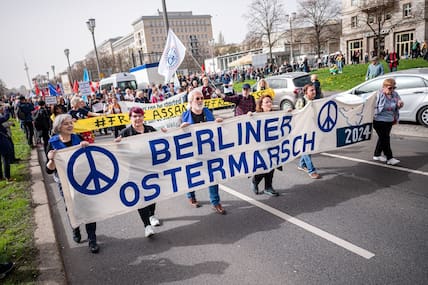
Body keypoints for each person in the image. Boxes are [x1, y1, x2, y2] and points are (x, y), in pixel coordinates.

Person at [46, 114, 100, 253]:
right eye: (66, 124)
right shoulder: (52, 143)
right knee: (71, 207)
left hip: (82, 179)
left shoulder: (78, 138)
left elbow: (89, 159)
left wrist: (86, 147)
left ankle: (92, 239)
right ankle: (75, 228)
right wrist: (51, 159)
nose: (70, 126)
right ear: (59, 127)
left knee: (89, 208)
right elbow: (49, 170)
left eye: (71, 123)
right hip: (65, 182)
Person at [114, 107, 162, 237]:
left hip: (151, 169)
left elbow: (161, 142)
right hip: (135, 171)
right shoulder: (125, 133)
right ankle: (147, 225)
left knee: (153, 193)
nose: (137, 119)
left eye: (140, 116)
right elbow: (117, 152)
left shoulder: (150, 130)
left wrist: (163, 133)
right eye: (134, 116)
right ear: (130, 118)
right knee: (140, 197)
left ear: (143, 117)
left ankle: (152, 215)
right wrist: (116, 144)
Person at [180, 89, 226, 215]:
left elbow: (215, 127)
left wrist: (219, 123)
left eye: (202, 98)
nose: (200, 101)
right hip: (192, 153)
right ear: (191, 101)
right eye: (197, 98)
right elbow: (176, 136)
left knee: (213, 176)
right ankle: (190, 195)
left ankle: (215, 202)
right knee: (192, 176)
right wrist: (181, 129)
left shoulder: (208, 112)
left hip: (208, 151)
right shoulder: (184, 116)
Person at [250, 94, 279, 196]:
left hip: (273, 145)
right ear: (261, 105)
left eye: (270, 101)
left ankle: (268, 187)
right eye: (266, 102)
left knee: (272, 166)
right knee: (263, 167)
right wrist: (249, 116)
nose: (269, 103)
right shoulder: (256, 116)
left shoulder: (276, 114)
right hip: (261, 147)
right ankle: (255, 181)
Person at [372, 78, 404, 165]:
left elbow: (398, 104)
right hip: (378, 120)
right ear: (384, 87)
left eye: (394, 88)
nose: (392, 90)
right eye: (390, 88)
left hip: (389, 120)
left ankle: (377, 154)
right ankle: (389, 158)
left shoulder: (395, 94)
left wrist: (400, 104)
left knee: (382, 138)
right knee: (385, 139)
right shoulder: (378, 94)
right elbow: (371, 106)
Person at [295, 84, 321, 179]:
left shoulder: (315, 101)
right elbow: (297, 114)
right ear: (306, 92)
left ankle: (302, 164)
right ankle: (311, 170)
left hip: (311, 128)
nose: (314, 92)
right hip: (302, 129)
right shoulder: (302, 101)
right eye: (311, 90)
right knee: (306, 149)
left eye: (314, 90)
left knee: (309, 148)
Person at [0, 104, 14, 182]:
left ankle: (1, 177)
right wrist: (6, 109)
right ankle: (7, 177)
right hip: (1, 140)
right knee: (5, 158)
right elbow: (6, 117)